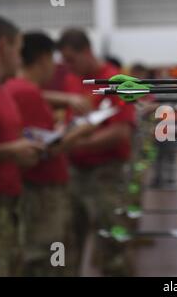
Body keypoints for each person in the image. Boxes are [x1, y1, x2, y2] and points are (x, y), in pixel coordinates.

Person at [5, 32, 91, 276]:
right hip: (42, 191)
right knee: (49, 258)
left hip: (36, 190)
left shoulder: (20, 89)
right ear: (43, 58)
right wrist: (81, 131)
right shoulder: (26, 91)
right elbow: (44, 150)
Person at [58, 28, 135, 276]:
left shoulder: (116, 81)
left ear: (87, 52)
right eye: (65, 61)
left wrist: (77, 144)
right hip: (75, 171)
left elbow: (120, 132)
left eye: (71, 59)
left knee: (111, 237)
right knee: (70, 237)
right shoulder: (72, 81)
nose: (68, 66)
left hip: (106, 173)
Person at [0, 16, 43, 276]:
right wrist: (8, 152)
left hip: (10, 209)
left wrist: (24, 151)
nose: (21, 59)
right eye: (18, 50)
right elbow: (4, 148)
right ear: (2, 46)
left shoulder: (2, 90)